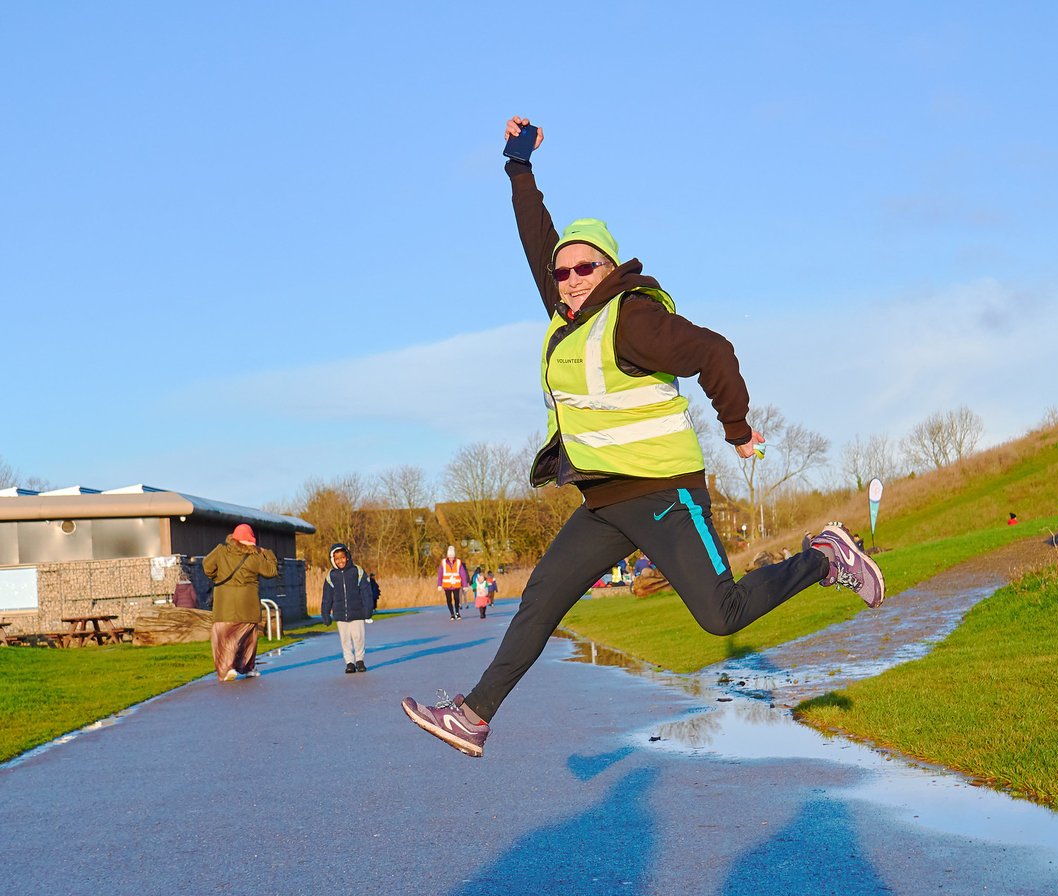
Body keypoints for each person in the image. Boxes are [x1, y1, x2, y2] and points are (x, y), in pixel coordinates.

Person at [401, 116, 885, 758]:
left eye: (584, 267)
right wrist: (519, 168)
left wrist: (737, 430)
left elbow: (714, 351)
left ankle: (826, 556)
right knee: (540, 601)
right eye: (561, 272)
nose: (571, 278)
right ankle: (474, 716)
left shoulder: (632, 317)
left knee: (722, 615)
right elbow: (536, 238)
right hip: (604, 502)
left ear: (608, 268)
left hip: (662, 493)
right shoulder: (569, 317)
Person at [202, 523, 278, 682]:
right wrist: (267, 553)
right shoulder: (254, 557)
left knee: (224, 638)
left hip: (224, 603)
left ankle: (227, 669)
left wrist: (218, 577)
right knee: (248, 639)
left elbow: (207, 567)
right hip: (248, 603)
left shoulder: (221, 551)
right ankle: (248, 668)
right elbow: (271, 571)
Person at [321, 543, 375, 673]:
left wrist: (368, 609)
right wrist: (325, 614)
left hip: (357, 612)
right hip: (340, 613)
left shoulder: (357, 571)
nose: (340, 561)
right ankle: (349, 662)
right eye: (337, 559)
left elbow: (366, 592)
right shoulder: (331, 576)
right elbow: (327, 597)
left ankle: (360, 660)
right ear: (333, 560)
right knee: (345, 640)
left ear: (347, 557)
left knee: (358, 638)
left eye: (342, 557)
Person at [437, 546, 468, 621]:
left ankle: (457, 612)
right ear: (448, 556)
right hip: (447, 585)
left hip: (456, 584)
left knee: (457, 599)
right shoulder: (443, 562)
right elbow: (440, 574)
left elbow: (463, 574)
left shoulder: (458, 562)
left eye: (452, 556)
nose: (451, 558)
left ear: (454, 555)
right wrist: (439, 585)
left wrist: (465, 585)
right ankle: (452, 614)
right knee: (449, 600)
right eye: (450, 556)